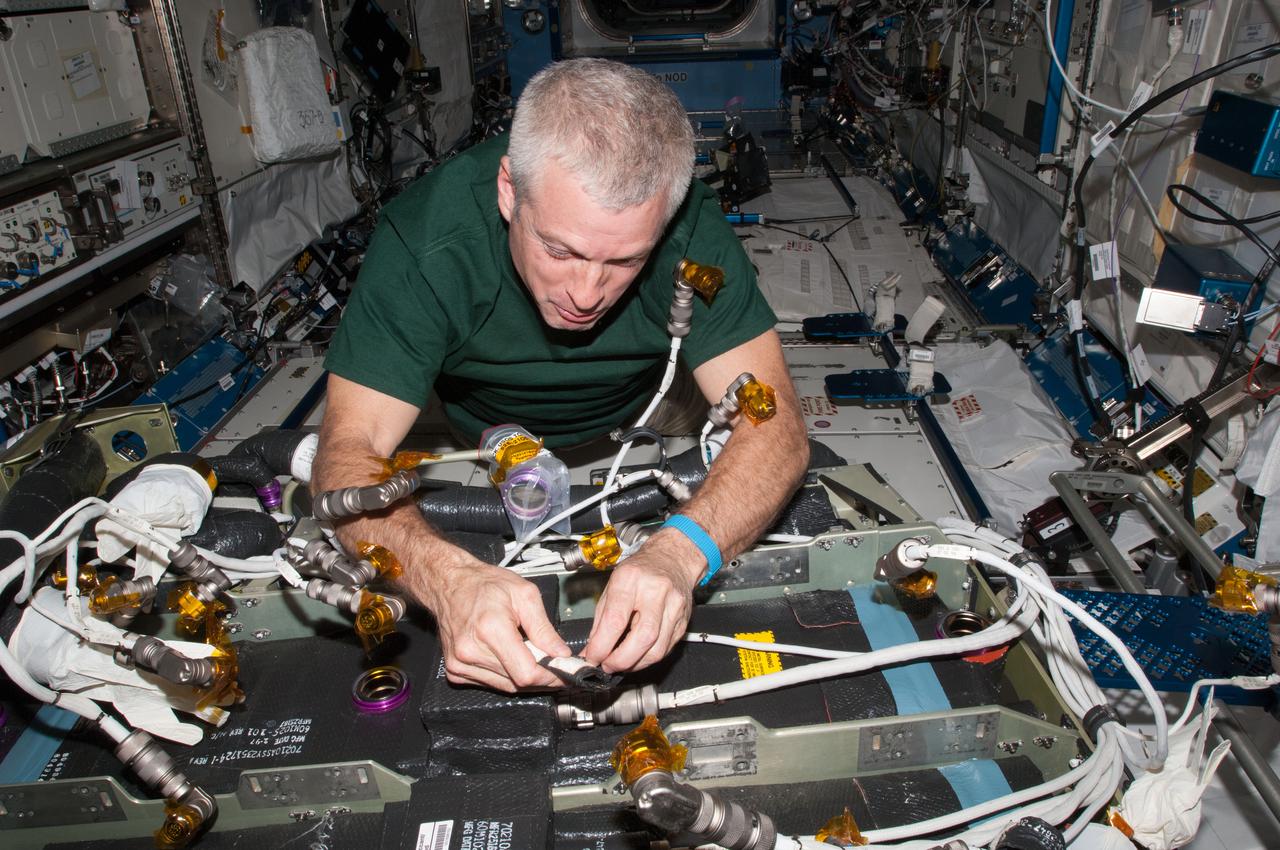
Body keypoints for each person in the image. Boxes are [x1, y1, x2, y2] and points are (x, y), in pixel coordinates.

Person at [314, 58, 808, 693]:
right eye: (560, 250)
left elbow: (779, 428)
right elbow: (345, 454)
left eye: (624, 260)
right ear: (508, 191)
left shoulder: (689, 233)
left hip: (644, 410)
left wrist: (682, 552)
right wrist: (447, 579)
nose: (586, 293)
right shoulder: (425, 240)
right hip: (476, 429)